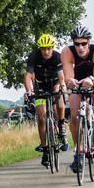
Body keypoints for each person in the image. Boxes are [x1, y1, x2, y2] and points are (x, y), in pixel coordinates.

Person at [62, 25, 94, 173]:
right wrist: (70, 81)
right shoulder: (67, 51)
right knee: (73, 114)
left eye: (83, 43)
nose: (80, 47)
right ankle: (79, 151)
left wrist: (91, 80)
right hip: (78, 79)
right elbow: (68, 77)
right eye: (77, 44)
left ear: (89, 42)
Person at [24, 33, 67, 167]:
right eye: (43, 49)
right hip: (40, 85)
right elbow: (28, 75)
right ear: (40, 49)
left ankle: (60, 124)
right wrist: (29, 90)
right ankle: (45, 149)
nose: (46, 51)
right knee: (41, 117)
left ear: (52, 48)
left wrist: (62, 86)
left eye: (48, 48)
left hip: (54, 82)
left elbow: (61, 76)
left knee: (58, 96)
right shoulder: (34, 56)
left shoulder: (57, 56)